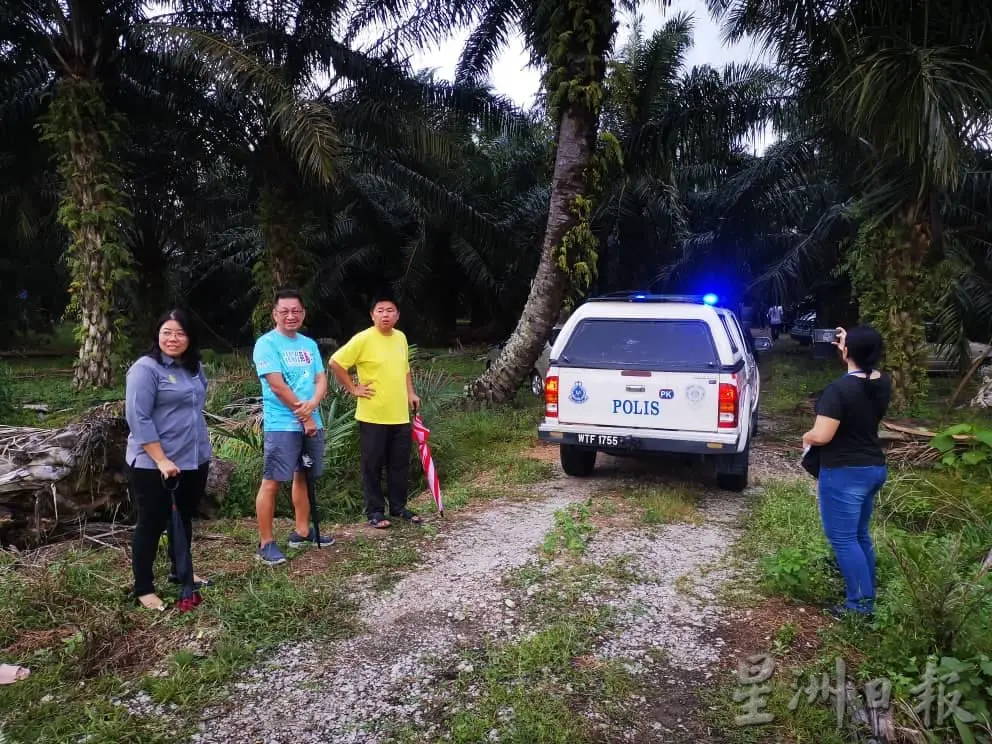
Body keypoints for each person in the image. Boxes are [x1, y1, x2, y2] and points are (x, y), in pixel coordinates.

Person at [125, 309, 213, 611]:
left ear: (190, 338)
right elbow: (138, 417)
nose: (173, 339)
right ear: (157, 335)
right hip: (154, 463)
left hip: (194, 457)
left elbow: (195, 406)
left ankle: (181, 571)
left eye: (180, 333)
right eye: (167, 332)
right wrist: (161, 459)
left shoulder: (193, 367)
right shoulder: (145, 369)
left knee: (183, 518)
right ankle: (144, 587)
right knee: (150, 523)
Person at [802, 326, 891, 617]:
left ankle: (859, 608)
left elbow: (823, 435)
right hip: (873, 468)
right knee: (859, 535)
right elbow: (863, 360)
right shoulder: (882, 382)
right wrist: (852, 340)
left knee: (843, 538)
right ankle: (867, 596)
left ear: (847, 351)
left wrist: (808, 436)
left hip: (845, 472)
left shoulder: (839, 390)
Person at [253, 289, 334, 566]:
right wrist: (305, 415)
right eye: (284, 311)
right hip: (282, 424)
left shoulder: (309, 345)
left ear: (303, 314)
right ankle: (266, 542)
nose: (291, 316)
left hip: (312, 418)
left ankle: (302, 531)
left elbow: (321, 379)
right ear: (274, 314)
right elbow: (277, 385)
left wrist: (313, 404)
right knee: (272, 481)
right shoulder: (266, 344)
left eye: (296, 311)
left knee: (305, 476)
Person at [329, 294, 422, 529]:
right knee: (372, 465)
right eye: (380, 310)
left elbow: (405, 369)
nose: (385, 315)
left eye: (390, 310)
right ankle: (375, 511)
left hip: (399, 414)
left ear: (397, 315)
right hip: (373, 415)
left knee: (399, 464)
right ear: (372, 315)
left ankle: (399, 507)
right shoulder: (363, 339)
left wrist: (411, 393)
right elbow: (335, 362)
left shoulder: (400, 337)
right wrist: (353, 388)